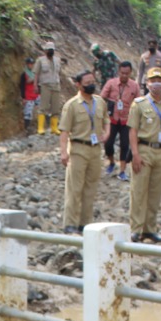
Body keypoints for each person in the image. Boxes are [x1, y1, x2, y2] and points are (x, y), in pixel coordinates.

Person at [127, 67, 161, 243]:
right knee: (139, 190)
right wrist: (135, 154)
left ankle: (150, 229)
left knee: (155, 192)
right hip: (144, 149)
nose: (156, 83)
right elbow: (132, 130)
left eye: (160, 80)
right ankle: (135, 229)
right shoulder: (139, 104)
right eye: (152, 80)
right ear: (147, 83)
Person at [59, 69, 110, 233]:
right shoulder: (71, 105)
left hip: (95, 150)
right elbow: (64, 131)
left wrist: (107, 132)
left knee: (90, 188)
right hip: (78, 149)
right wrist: (63, 152)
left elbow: (107, 121)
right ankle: (70, 224)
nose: (91, 86)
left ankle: (85, 223)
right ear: (78, 85)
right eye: (87, 83)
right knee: (75, 188)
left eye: (93, 82)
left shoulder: (100, 102)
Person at [100, 60, 138, 182]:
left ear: (130, 73)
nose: (124, 76)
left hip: (127, 121)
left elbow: (139, 103)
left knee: (125, 145)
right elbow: (101, 98)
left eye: (127, 73)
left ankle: (122, 170)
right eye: (122, 73)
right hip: (112, 119)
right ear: (118, 72)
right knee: (108, 143)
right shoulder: (111, 83)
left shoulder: (134, 86)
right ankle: (111, 162)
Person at [36, 41, 64, 135]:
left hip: (56, 85)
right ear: (45, 50)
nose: (51, 51)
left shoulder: (57, 60)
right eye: (49, 50)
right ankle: (40, 128)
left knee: (55, 108)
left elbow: (59, 73)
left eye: (52, 50)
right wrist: (35, 85)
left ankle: (54, 128)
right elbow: (36, 74)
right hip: (45, 85)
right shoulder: (40, 60)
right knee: (43, 107)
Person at [20, 57, 39, 133]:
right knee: (28, 112)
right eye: (29, 64)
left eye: (32, 64)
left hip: (36, 94)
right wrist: (23, 97)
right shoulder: (24, 74)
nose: (31, 65)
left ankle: (45, 125)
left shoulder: (35, 73)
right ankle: (27, 128)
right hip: (28, 96)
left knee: (44, 108)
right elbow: (22, 86)